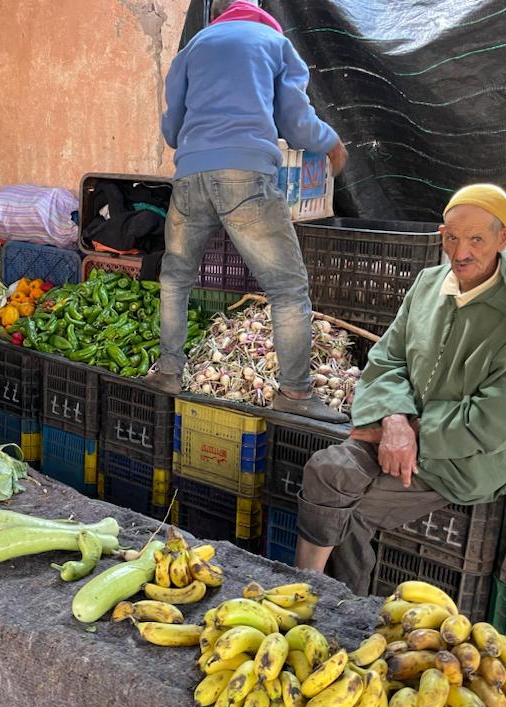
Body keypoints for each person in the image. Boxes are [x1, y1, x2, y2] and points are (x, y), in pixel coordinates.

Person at [294, 184, 506, 595]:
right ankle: (299, 589)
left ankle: (338, 611)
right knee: (327, 469)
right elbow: (388, 359)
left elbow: (495, 423)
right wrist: (393, 420)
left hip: (471, 453)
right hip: (400, 426)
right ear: (441, 234)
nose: (461, 253)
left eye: (477, 239)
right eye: (452, 238)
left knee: (353, 515)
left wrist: (414, 433)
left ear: (504, 238)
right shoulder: (428, 284)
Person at [146, 0, 349, 423]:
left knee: (176, 278)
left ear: (218, 13)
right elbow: (294, 121)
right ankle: (294, 392)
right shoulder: (274, 42)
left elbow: (171, 130)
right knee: (287, 289)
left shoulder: (193, 47)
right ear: (256, 10)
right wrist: (330, 142)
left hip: (189, 177)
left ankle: (168, 372)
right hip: (245, 174)